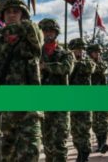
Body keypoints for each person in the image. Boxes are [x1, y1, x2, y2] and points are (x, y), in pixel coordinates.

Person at [0, 0, 43, 162]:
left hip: (29, 107)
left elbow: (35, 36)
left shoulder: (31, 31)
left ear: (23, 14)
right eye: (8, 11)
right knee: (7, 156)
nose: (12, 14)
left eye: (16, 11)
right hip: (4, 107)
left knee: (29, 154)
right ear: (2, 15)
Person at [38, 18, 74, 162]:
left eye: (51, 31)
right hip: (42, 103)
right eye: (44, 31)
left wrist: (45, 66)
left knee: (59, 143)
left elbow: (65, 69)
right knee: (47, 143)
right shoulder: (35, 52)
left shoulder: (65, 53)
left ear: (56, 33)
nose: (48, 34)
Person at [68, 38, 94, 162]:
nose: (79, 52)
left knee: (84, 129)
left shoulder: (87, 62)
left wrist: (76, 60)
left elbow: (90, 68)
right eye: (76, 49)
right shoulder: (68, 61)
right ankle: (79, 151)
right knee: (75, 130)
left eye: (81, 49)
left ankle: (84, 154)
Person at [87, 43, 108, 154]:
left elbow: (100, 69)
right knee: (95, 122)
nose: (97, 54)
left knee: (103, 120)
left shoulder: (103, 63)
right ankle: (100, 144)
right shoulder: (86, 63)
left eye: (98, 52)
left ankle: (103, 144)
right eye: (95, 52)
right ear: (90, 53)